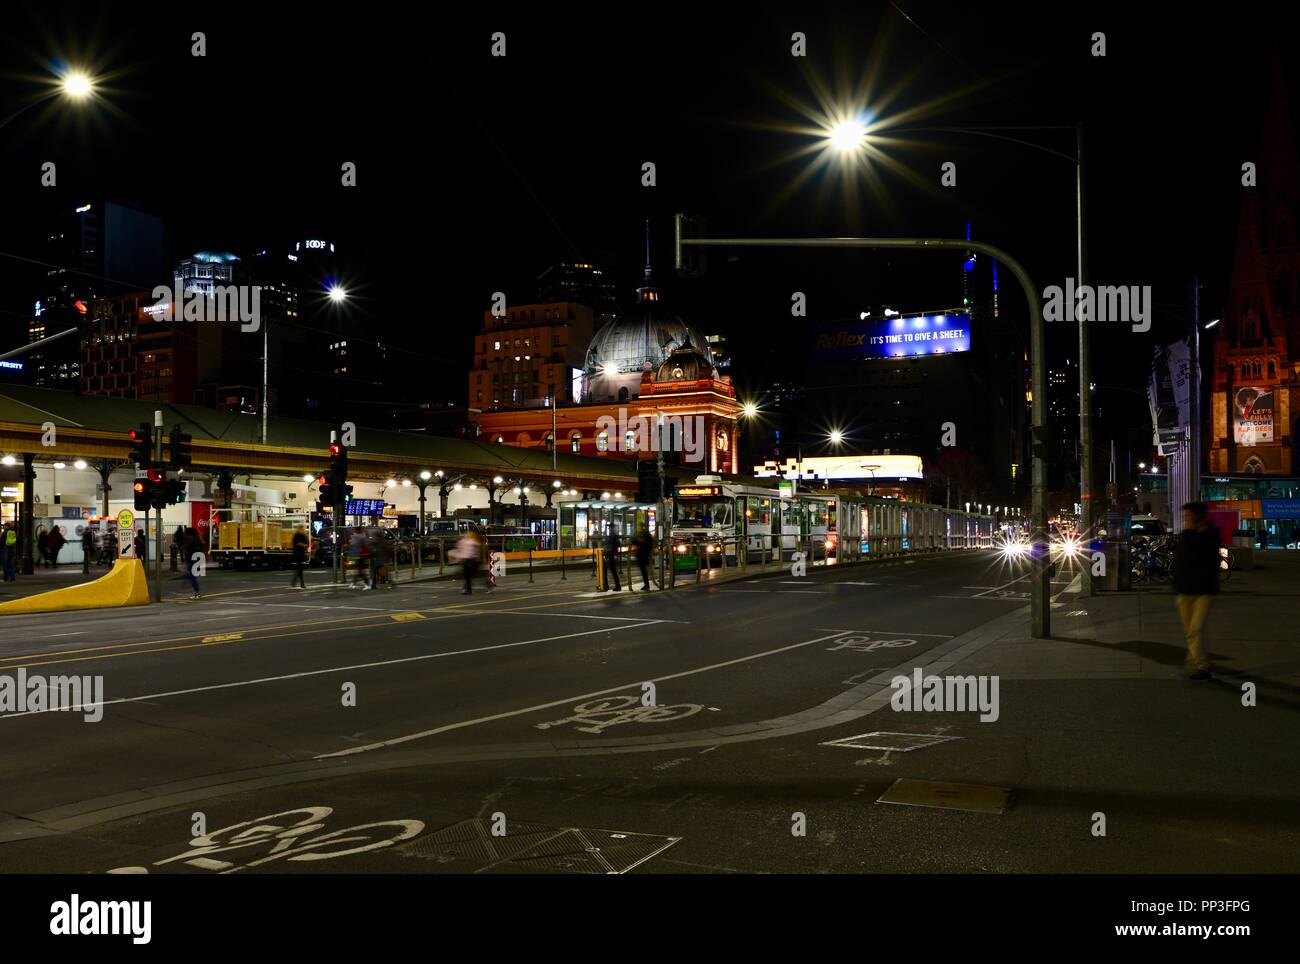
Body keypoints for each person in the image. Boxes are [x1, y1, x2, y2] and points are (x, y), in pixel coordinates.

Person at [1172, 502, 1221, 681]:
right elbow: (1181, 562)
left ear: (1199, 516)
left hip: (1204, 591)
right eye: (1185, 517)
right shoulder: (1186, 535)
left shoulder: (1211, 535)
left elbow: (1207, 560)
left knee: (1196, 629)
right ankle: (1194, 661)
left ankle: (1201, 666)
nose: (1186, 520)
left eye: (1189, 516)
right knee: (1189, 631)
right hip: (1185, 591)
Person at [452, 527, 484, 595]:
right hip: (468, 560)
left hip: (472, 561)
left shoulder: (471, 542)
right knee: (469, 576)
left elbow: (472, 550)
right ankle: (467, 589)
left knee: (470, 576)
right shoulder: (467, 542)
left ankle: (468, 589)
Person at [182, 526, 204, 599]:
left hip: (192, 560)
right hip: (196, 559)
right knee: (192, 576)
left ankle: (197, 593)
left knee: (192, 577)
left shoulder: (191, 540)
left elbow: (187, 549)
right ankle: (196, 592)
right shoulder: (197, 539)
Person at [632, 527, 655, 592]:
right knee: (643, 571)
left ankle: (647, 585)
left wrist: (642, 541)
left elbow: (649, 544)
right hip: (640, 555)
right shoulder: (639, 535)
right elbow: (633, 541)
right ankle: (646, 585)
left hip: (643, 555)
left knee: (644, 571)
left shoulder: (646, 535)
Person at [291, 524, 309, 589]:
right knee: (300, 568)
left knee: (299, 568)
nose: (302, 530)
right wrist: (302, 545)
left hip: (301, 553)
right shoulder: (296, 535)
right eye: (301, 529)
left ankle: (294, 581)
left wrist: (305, 545)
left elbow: (306, 543)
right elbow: (296, 543)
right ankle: (302, 583)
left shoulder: (303, 536)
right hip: (297, 553)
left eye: (302, 529)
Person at [604, 527, 622, 592]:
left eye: (610, 528)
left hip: (611, 556)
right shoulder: (613, 536)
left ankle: (617, 586)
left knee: (613, 571)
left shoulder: (612, 536)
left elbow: (613, 546)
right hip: (610, 555)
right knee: (613, 571)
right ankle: (617, 586)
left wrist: (615, 555)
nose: (610, 529)